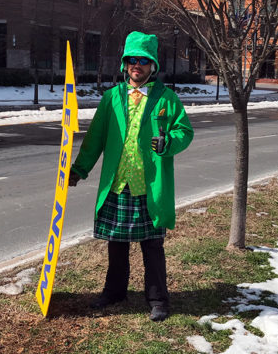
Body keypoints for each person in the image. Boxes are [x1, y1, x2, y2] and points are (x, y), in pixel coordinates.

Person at [68, 31, 194, 322]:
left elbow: (184, 131)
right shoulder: (111, 97)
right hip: (118, 184)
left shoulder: (166, 98)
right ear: (125, 64)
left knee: (152, 246)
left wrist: (169, 142)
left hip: (149, 187)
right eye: (132, 59)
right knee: (117, 243)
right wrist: (78, 170)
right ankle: (115, 292)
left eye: (143, 60)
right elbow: (95, 139)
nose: (137, 65)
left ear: (152, 66)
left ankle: (158, 299)